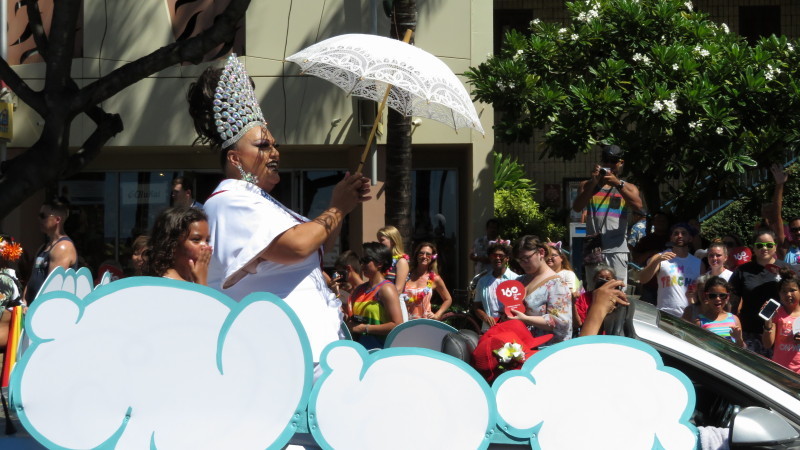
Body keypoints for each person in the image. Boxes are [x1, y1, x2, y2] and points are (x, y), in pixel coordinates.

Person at [188, 54, 370, 367]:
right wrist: (337, 207)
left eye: (273, 145)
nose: (275, 153)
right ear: (235, 159)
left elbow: (315, 247)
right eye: (262, 146)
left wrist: (341, 206)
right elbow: (298, 245)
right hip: (280, 359)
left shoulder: (258, 199)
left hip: (304, 352)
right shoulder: (229, 199)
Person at [572, 144, 643, 289]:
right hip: (594, 248)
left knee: (618, 291)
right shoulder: (587, 185)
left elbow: (638, 206)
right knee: (593, 291)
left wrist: (618, 184)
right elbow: (577, 207)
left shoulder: (628, 187)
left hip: (617, 248)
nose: (609, 164)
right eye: (606, 160)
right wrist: (594, 182)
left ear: (621, 163)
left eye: (613, 161)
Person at [729, 229, 791, 356]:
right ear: (753, 247)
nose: (764, 248)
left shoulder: (786, 270)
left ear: (775, 246)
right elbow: (732, 303)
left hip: (781, 332)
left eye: (769, 245)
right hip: (750, 333)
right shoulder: (742, 271)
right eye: (759, 245)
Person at [509, 235, 572, 343]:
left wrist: (526, 319)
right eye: (519, 260)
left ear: (541, 253)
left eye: (526, 258)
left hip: (546, 350)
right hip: (521, 345)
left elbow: (562, 322)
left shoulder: (557, 284)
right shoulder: (520, 280)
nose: (523, 264)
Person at [346, 242, 404, 350]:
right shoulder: (360, 289)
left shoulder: (386, 289)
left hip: (380, 352)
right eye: (361, 261)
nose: (362, 265)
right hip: (359, 351)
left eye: (366, 261)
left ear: (380, 263)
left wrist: (366, 328)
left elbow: (397, 324)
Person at [638, 223, 702, 317]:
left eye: (684, 233)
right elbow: (642, 279)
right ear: (671, 238)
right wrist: (657, 261)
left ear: (690, 238)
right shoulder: (660, 257)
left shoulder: (699, 263)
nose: (679, 236)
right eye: (676, 233)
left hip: (690, 315)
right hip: (665, 314)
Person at [23, 197, 79, 304]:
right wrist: (24, 301)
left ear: (57, 220)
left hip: (46, 310)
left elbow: (52, 286)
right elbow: (32, 278)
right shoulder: (44, 247)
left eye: (43, 216)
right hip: (31, 308)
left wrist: (36, 308)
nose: (39, 219)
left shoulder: (63, 247)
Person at [143, 207, 212, 285]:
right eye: (196, 239)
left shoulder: (193, 280)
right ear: (172, 243)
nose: (206, 246)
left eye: (207, 240)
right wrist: (201, 282)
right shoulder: (162, 285)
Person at [761, 268, 800, 373]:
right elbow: (767, 344)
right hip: (780, 372)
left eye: (792, 290)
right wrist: (768, 321)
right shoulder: (777, 313)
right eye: (784, 291)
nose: (788, 294)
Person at [473, 240, 517, 330]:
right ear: (490, 258)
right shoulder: (483, 281)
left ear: (507, 258)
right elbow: (476, 306)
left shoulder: (516, 279)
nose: (497, 258)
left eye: (501, 256)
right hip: (489, 329)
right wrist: (485, 317)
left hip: (510, 328)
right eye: (494, 255)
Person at [404, 242, 453, 320]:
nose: (424, 256)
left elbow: (448, 299)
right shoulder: (406, 274)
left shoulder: (434, 279)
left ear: (432, 257)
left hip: (425, 322)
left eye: (428, 254)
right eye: (421, 253)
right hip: (405, 321)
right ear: (416, 255)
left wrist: (437, 314)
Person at [694, 276, 745, 348]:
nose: (718, 299)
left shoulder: (734, 319)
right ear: (706, 297)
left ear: (728, 297)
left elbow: (742, 348)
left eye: (722, 295)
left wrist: (738, 339)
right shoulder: (700, 322)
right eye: (712, 296)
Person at [573, 266, 617, 331]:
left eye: (608, 278)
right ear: (594, 279)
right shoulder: (584, 297)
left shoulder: (618, 299)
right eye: (601, 278)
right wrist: (572, 303)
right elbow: (579, 323)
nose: (604, 281)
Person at [377, 225, 409, 294]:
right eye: (378, 240)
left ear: (393, 241)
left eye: (382, 240)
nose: (379, 243)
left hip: (395, 300)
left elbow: (399, 289)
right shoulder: (381, 261)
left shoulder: (401, 261)